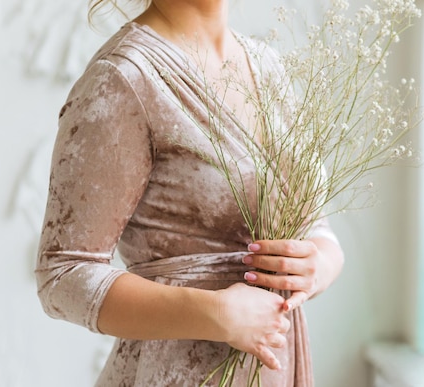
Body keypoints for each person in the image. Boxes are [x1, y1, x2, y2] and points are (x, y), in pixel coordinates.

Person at [35, 0, 345, 385]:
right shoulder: (124, 76)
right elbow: (61, 274)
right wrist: (215, 313)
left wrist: (319, 267)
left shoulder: (269, 66)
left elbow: (316, 225)